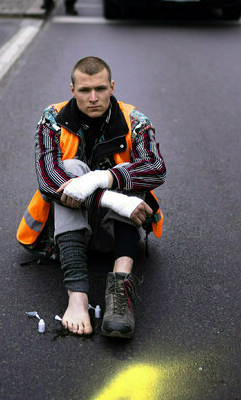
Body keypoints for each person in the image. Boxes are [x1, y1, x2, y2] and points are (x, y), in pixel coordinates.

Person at [17, 57, 166, 338]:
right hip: (66, 236)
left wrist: (101, 179)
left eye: (100, 89)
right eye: (85, 91)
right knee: (70, 170)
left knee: (127, 170)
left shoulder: (135, 120)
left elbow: (157, 169)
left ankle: (120, 288)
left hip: (117, 233)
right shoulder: (52, 119)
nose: (93, 98)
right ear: (72, 90)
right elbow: (49, 182)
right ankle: (77, 297)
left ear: (111, 87)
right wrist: (113, 199)